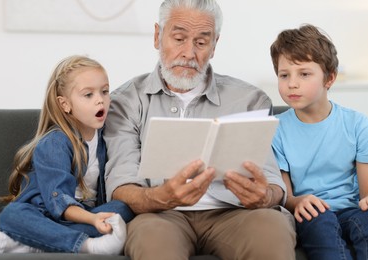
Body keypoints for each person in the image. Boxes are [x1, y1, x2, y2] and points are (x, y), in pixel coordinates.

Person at [104, 0, 296, 259]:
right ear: (157, 36)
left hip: (235, 214)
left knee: (272, 229)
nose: (189, 53)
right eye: (179, 38)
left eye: (201, 43)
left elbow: (272, 182)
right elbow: (120, 184)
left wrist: (265, 196)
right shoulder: (125, 101)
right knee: (152, 240)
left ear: (214, 46)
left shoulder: (250, 99)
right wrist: (160, 197)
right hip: (160, 215)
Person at [0, 55, 134, 254]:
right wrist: (93, 220)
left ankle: (37, 241)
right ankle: (86, 245)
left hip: (84, 213)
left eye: (104, 91)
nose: (100, 100)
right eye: (88, 95)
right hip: (48, 213)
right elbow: (58, 202)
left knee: (122, 208)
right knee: (12, 215)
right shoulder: (55, 143)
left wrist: (96, 216)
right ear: (65, 104)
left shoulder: (107, 136)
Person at [270, 24, 368, 260]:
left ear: (329, 78)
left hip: (352, 209)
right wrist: (297, 201)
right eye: (284, 75)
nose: (292, 83)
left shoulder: (357, 124)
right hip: (311, 211)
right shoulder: (274, 129)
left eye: (304, 74)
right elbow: (285, 196)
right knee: (322, 229)